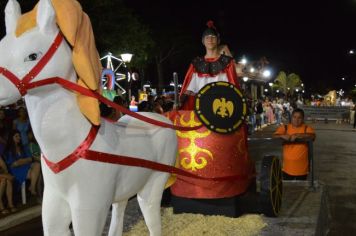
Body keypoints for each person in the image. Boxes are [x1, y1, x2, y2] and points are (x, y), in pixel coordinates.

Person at [179, 20, 239, 110]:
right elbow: (189, 90)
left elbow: (233, 87)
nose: (210, 39)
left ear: (218, 41)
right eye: (207, 37)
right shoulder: (196, 63)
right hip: (201, 108)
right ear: (203, 41)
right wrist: (180, 101)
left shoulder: (227, 62)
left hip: (222, 108)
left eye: (213, 37)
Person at [273, 108, 316, 180]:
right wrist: (281, 135)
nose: (296, 120)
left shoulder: (307, 128)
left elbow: (312, 136)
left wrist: (298, 135)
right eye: (294, 117)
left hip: (302, 169)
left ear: (303, 119)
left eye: (299, 118)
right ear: (291, 117)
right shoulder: (285, 128)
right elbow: (274, 136)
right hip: (287, 168)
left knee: (301, 189)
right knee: (287, 189)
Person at [3, 130, 41, 196]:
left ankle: (32, 187)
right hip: (16, 171)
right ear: (12, 138)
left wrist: (21, 161)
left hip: (26, 167)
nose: (19, 138)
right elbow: (13, 164)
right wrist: (24, 161)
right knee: (37, 173)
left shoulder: (23, 147)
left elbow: (30, 159)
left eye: (19, 136)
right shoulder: (8, 151)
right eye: (16, 136)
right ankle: (34, 190)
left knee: (37, 165)